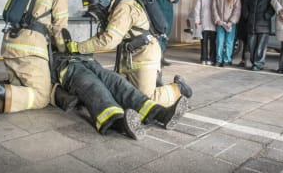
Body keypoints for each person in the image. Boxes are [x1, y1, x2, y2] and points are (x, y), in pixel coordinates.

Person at [66, 0, 192, 107]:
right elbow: (102, 36)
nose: (97, 15)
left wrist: (78, 47)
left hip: (145, 55)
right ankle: (155, 83)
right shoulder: (113, 9)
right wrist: (80, 45)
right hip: (130, 58)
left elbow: (109, 40)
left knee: (147, 100)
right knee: (123, 94)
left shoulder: (123, 7)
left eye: (96, 10)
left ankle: (179, 89)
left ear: (103, 2)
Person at [50, 51, 188, 140]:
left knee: (117, 81)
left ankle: (161, 114)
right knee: (94, 86)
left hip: (85, 60)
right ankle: (118, 122)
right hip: (65, 67)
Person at [142, 0, 179, 66]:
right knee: (158, 34)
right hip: (159, 12)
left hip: (169, 13)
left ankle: (162, 57)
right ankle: (157, 58)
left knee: (166, 35)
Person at [243, 0, 275, 71]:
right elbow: (245, 6)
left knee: (261, 47)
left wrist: (267, 15)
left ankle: (259, 64)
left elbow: (272, 6)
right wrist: (247, 16)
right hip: (251, 23)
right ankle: (254, 63)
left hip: (263, 24)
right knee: (251, 46)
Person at [212, 0, 241, 67]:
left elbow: (237, 9)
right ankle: (219, 60)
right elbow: (214, 8)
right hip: (220, 23)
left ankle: (227, 60)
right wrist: (217, 19)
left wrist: (231, 21)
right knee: (219, 41)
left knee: (229, 41)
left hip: (230, 24)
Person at [194, 0, 216, 65]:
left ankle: (211, 59)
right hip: (204, 22)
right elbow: (197, 9)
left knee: (213, 42)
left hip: (214, 22)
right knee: (204, 42)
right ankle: (204, 58)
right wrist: (197, 20)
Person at [235, 0, 251, 67]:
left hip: (247, 19)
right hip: (240, 19)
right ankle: (243, 60)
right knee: (242, 41)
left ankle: (247, 60)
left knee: (248, 41)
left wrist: (247, 15)